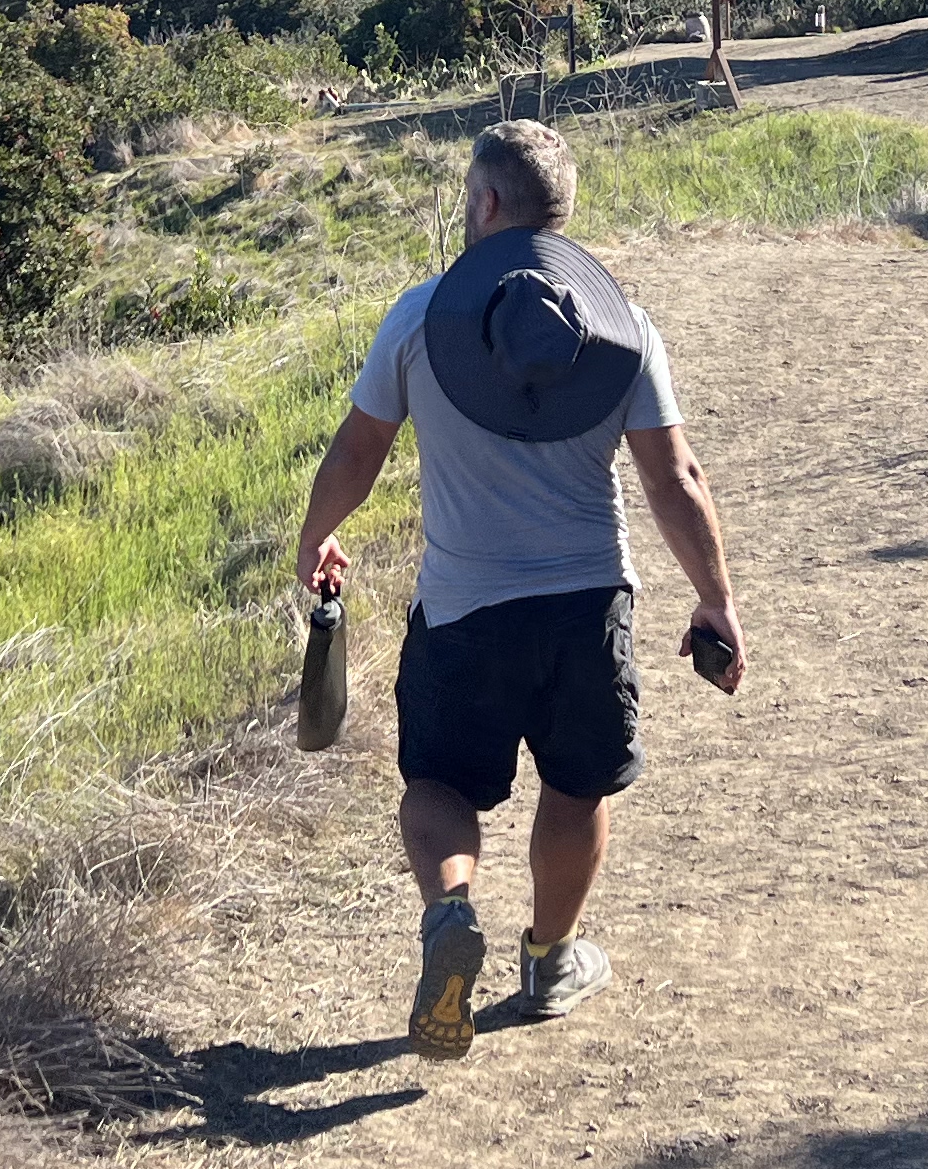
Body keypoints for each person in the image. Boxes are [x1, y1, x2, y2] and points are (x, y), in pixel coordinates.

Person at [293, 117, 746, 1061]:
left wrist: (317, 537)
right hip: (587, 606)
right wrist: (715, 598)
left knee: (437, 786)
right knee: (578, 787)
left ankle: (451, 912)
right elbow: (675, 479)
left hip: (463, 611)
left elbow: (359, 451)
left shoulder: (419, 317)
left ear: (488, 203)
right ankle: (549, 961)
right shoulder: (624, 327)